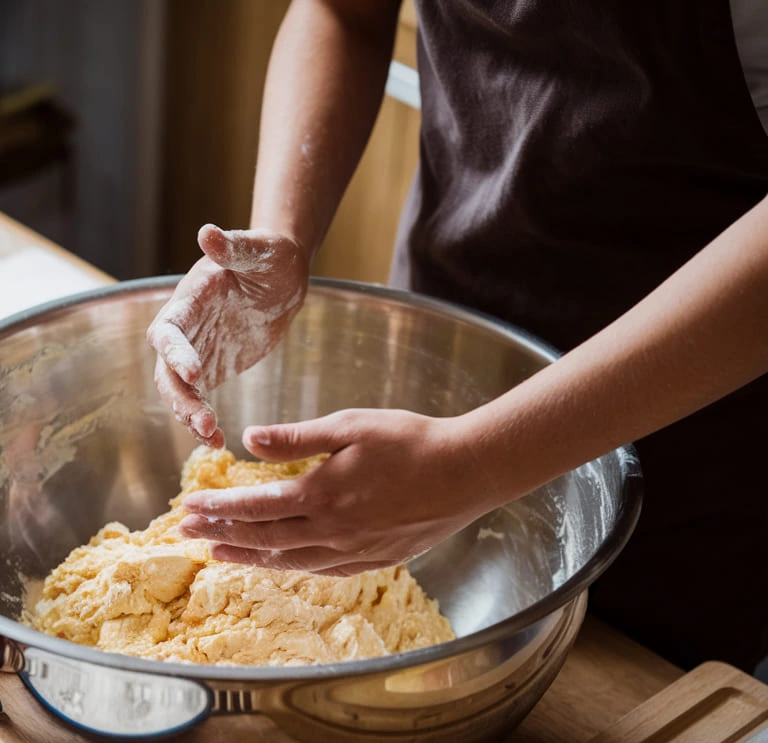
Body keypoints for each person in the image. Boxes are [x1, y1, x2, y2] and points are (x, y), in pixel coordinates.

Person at [146, 0, 768, 675]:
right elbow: (343, 13)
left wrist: (475, 464)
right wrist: (283, 233)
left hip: (682, 423)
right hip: (443, 330)